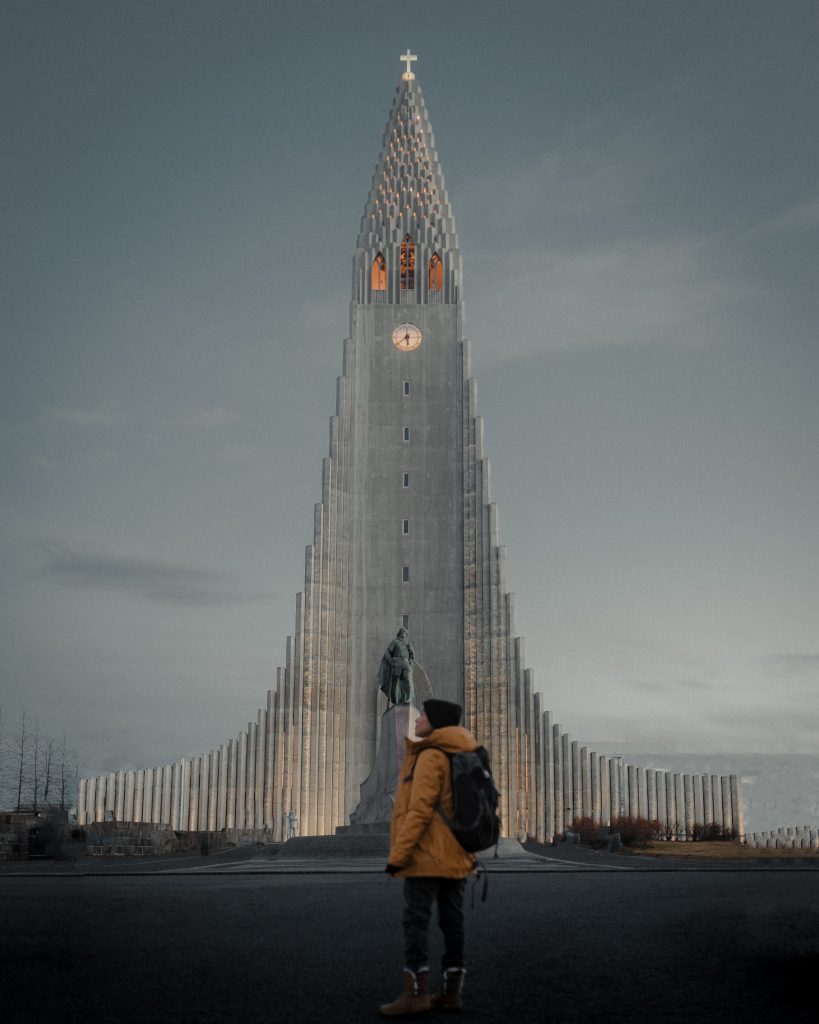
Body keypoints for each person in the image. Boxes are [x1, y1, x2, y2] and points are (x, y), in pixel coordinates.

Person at [379, 698, 477, 1017]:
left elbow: (418, 812)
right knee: (453, 923)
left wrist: (400, 854)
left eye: (423, 715)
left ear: (435, 723)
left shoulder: (431, 757)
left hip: (426, 855)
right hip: (456, 854)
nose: (418, 718)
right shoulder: (463, 753)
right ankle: (451, 993)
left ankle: (416, 994)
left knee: (416, 922)